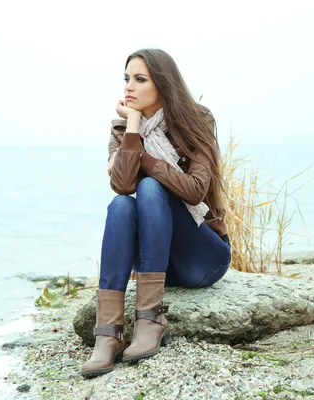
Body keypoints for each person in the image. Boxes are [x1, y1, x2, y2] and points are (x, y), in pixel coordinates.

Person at [80, 49, 232, 377]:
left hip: (203, 257)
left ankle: (151, 319)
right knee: (122, 205)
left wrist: (145, 160)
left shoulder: (196, 119)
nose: (128, 87)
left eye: (139, 79)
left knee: (150, 188)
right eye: (126, 79)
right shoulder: (123, 128)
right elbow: (121, 186)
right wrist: (133, 127)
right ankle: (108, 332)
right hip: (157, 261)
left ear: (161, 85)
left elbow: (193, 190)